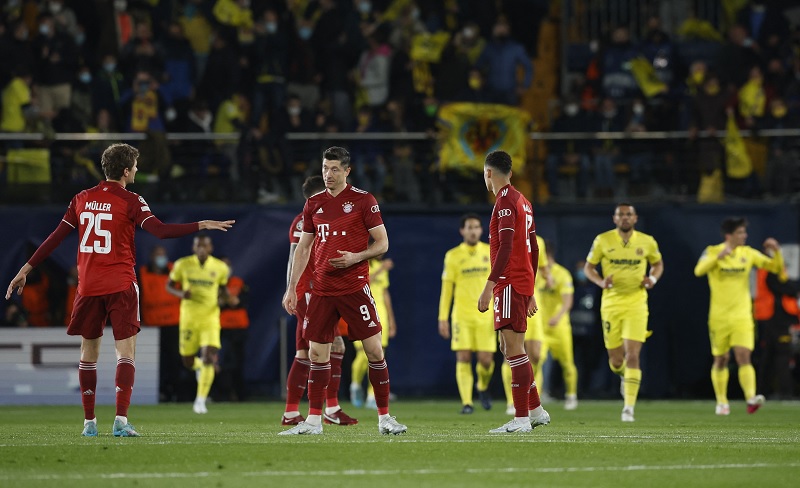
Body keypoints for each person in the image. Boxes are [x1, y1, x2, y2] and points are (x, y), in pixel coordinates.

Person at [5, 143, 234, 437]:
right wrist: (202, 224)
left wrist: (25, 269)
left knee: (88, 354)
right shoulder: (131, 200)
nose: (137, 170)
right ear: (126, 171)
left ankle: (89, 423)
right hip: (121, 285)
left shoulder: (81, 198)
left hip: (88, 287)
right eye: (135, 166)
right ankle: (121, 420)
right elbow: (161, 231)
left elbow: (55, 238)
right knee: (125, 353)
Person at [281, 147, 406, 435]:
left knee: (374, 351)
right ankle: (314, 421)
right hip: (322, 290)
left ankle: (385, 418)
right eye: (325, 168)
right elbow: (303, 249)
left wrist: (355, 257)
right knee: (316, 354)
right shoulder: (313, 204)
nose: (329, 174)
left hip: (354, 287)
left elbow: (382, 243)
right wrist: (292, 288)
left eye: (335, 169)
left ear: (347, 171)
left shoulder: (364, 200)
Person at [478, 150, 550, 434]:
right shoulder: (523, 201)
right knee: (507, 347)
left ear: (488, 173)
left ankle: (521, 419)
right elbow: (535, 248)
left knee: (514, 349)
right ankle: (536, 410)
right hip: (519, 281)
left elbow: (506, 246)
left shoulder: (505, 201)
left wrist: (489, 285)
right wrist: (530, 290)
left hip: (509, 281)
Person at [283, 175, 357, 426]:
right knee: (334, 346)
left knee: (305, 352)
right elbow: (295, 256)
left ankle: (292, 412)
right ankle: (330, 409)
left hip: (314, 290)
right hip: (309, 292)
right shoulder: (307, 220)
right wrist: (291, 290)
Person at [694, 217, 784, 415]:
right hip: (719, 316)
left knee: (744, 355)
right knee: (721, 359)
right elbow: (698, 271)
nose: (745, 236)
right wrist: (718, 258)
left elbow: (775, 268)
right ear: (729, 235)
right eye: (741, 232)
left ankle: (750, 398)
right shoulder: (712, 251)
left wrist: (776, 252)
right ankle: (721, 402)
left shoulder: (748, 253)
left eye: (744, 232)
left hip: (742, 315)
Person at [584, 203, 663, 422]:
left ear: (635, 218)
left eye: (629, 214)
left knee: (633, 355)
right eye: (621, 215)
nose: (625, 218)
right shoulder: (603, 240)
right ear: (615, 218)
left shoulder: (647, 241)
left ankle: (628, 408)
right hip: (611, 304)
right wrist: (601, 282)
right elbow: (588, 268)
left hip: (637, 303)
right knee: (617, 360)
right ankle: (624, 376)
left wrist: (652, 279)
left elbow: (658, 264)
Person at [166, 234, 230, 415]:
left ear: (210, 248)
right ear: (193, 248)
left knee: (209, 356)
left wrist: (226, 299)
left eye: (205, 246)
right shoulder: (182, 264)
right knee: (187, 360)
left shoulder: (220, 267)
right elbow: (169, 285)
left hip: (210, 318)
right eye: (198, 246)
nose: (201, 249)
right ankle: (199, 367)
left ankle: (200, 401)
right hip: (189, 318)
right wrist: (180, 294)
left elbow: (223, 289)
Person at [438, 213, 495, 414]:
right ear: (462, 231)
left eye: (476, 227)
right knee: (463, 357)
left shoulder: (490, 252)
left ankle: (482, 386)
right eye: (469, 227)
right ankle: (467, 402)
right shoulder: (453, 255)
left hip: (486, 315)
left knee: (486, 361)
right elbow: (447, 289)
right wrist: (442, 317)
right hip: (461, 315)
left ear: (481, 230)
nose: (473, 231)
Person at [351, 254, 396, 410]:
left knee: (378, 356)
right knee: (363, 356)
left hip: (380, 313)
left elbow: (385, 293)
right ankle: (355, 384)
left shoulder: (380, 266)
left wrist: (391, 319)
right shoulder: (358, 265)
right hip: (362, 312)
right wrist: (381, 269)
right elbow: (362, 285)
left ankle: (372, 396)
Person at [537, 242, 579, 410]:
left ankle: (571, 396)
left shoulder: (562, 274)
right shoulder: (536, 274)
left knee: (567, 362)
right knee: (536, 362)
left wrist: (557, 317)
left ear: (547, 256)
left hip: (559, 327)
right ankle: (536, 398)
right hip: (540, 328)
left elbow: (568, 302)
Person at [138, 245, 182, 402]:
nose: (161, 258)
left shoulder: (176, 271)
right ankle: (158, 392)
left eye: (163, 254)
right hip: (152, 326)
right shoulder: (142, 273)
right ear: (151, 257)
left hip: (174, 322)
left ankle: (175, 392)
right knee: (156, 362)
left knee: (175, 359)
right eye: (158, 254)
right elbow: (137, 298)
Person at [754, 262, 799, 400]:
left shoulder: (766, 269)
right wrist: (795, 288)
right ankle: (785, 392)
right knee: (782, 354)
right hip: (777, 317)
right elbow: (784, 287)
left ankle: (762, 391)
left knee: (768, 355)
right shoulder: (771, 269)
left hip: (769, 317)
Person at [217, 256, 250, 402]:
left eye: (227, 265)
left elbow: (244, 300)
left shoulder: (238, 282)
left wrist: (230, 301)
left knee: (239, 362)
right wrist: (226, 301)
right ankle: (223, 393)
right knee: (224, 362)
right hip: (221, 329)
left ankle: (239, 394)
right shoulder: (213, 283)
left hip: (239, 328)